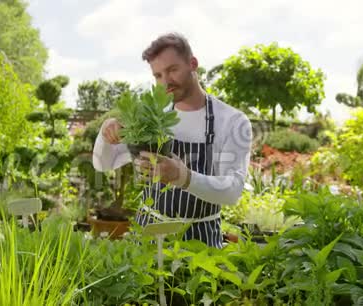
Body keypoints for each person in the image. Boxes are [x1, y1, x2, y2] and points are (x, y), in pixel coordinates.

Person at [92, 32, 252, 248]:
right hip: (147, 238)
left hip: (199, 244)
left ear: (192, 64)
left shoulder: (231, 121)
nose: (165, 81)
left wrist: (183, 177)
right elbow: (104, 164)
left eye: (172, 70)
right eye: (157, 75)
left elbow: (232, 191)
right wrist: (105, 133)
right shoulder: (150, 116)